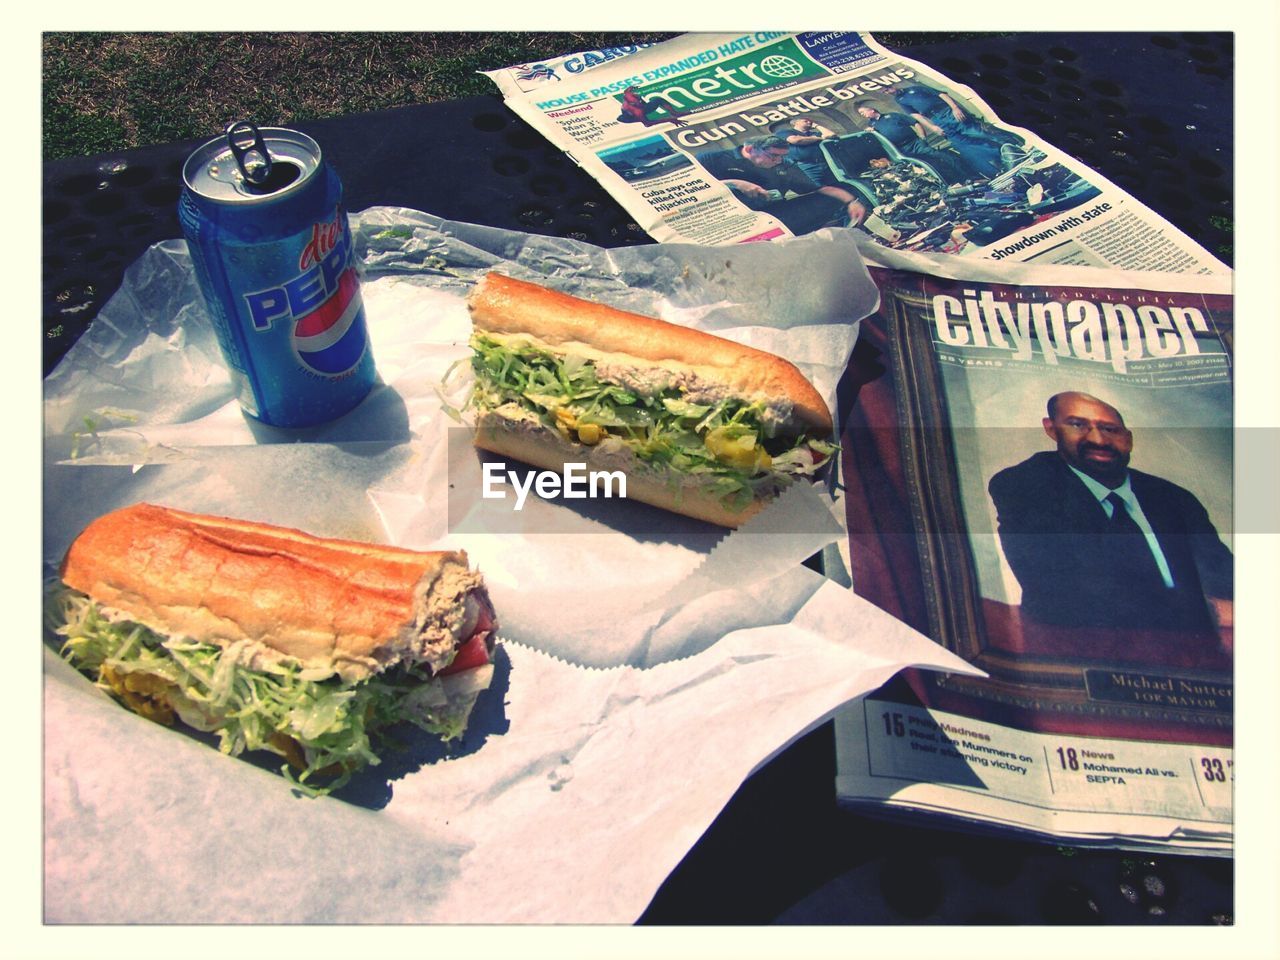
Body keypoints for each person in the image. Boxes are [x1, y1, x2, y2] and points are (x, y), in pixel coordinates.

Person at [987, 391, 1233, 644]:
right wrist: (1210, 612)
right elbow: (1069, 598)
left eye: (1110, 429)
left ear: (1128, 440)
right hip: (1082, 651)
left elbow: (1225, 576)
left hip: (1195, 651)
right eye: (1077, 425)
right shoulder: (1025, 485)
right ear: (1051, 429)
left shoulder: (1173, 498)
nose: (1098, 439)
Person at [696, 135, 868, 234]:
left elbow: (820, 189)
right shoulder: (711, 159)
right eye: (773, 156)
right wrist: (735, 184)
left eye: (781, 157)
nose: (778, 161)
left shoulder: (784, 165)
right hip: (726, 222)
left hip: (773, 216)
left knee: (828, 200)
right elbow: (687, 191)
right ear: (749, 149)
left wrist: (851, 202)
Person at [891, 83, 1015, 178]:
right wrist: (932, 127)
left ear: (893, 84)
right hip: (937, 119)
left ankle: (1013, 146)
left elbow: (941, 94)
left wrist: (955, 108)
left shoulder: (916, 88)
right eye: (885, 91)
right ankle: (995, 167)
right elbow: (916, 116)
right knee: (962, 146)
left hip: (948, 111)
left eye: (888, 88)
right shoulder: (900, 100)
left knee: (977, 133)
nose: (888, 91)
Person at [854, 101, 982, 185]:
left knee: (940, 156)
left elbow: (915, 123)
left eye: (863, 112)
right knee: (924, 168)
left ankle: (969, 176)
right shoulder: (872, 126)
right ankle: (953, 183)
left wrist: (922, 137)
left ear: (871, 110)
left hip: (915, 143)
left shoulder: (893, 116)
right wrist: (870, 132)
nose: (863, 115)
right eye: (860, 114)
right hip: (901, 150)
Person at [775, 116, 839, 186]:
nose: (809, 122)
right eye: (805, 120)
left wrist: (816, 125)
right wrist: (818, 138)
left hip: (826, 164)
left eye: (810, 121)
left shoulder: (815, 133)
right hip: (806, 166)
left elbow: (832, 135)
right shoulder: (785, 132)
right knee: (815, 188)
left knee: (837, 185)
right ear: (796, 122)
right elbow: (796, 140)